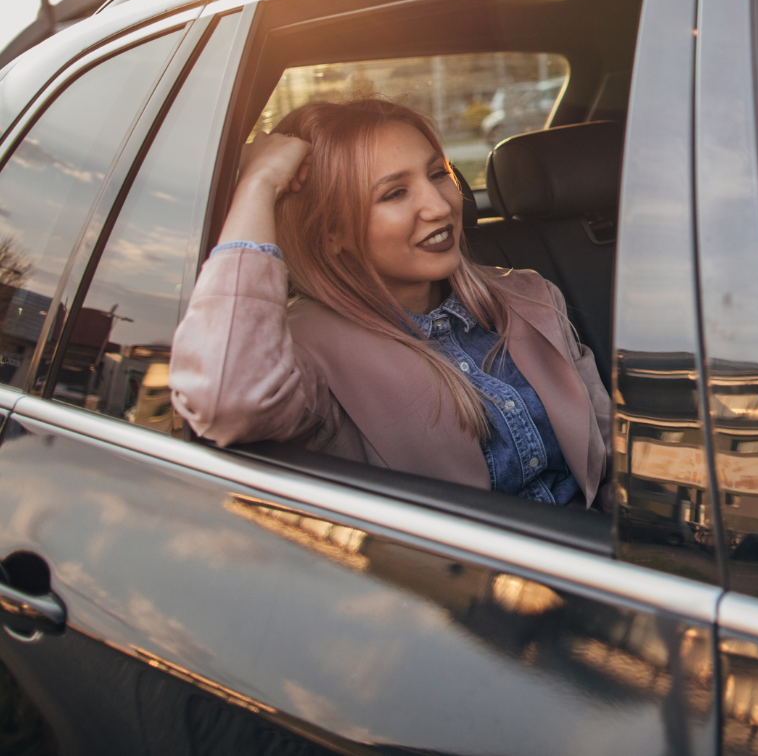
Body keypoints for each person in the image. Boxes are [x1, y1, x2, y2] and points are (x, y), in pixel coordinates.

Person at [170, 97, 612, 508]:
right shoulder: (301, 356)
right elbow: (225, 402)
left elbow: (611, 455)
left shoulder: (529, 295)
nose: (440, 206)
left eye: (438, 174)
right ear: (332, 233)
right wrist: (258, 184)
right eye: (394, 193)